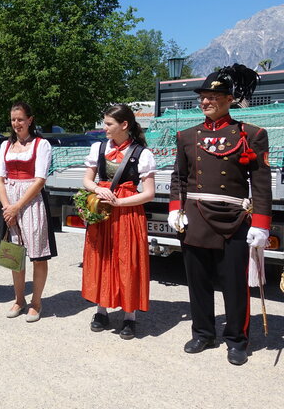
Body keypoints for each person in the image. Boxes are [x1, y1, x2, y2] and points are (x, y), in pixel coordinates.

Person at [169, 64, 271, 365]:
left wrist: (261, 224)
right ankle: (203, 333)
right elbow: (178, 178)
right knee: (197, 281)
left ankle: (237, 340)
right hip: (195, 217)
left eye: (213, 97)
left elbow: (261, 183)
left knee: (234, 284)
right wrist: (175, 209)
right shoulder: (186, 136)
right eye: (203, 97)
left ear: (229, 99)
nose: (206, 101)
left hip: (234, 219)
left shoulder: (252, 134)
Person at [81, 104, 156, 339]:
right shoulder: (99, 148)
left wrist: (120, 203)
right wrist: (97, 189)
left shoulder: (142, 153)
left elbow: (149, 194)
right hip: (102, 210)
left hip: (128, 213)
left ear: (124, 125)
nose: (104, 128)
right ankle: (101, 310)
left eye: (108, 124)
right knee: (102, 257)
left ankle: (129, 316)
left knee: (127, 260)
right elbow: (87, 180)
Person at [0, 102, 57, 323]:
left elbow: (40, 180)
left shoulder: (41, 144)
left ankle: (36, 302)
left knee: (37, 255)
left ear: (30, 120)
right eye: (13, 120)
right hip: (9, 202)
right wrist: (7, 207)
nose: (16, 123)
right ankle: (19, 299)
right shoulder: (5, 145)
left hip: (31, 202)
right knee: (14, 253)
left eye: (20, 119)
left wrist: (17, 206)